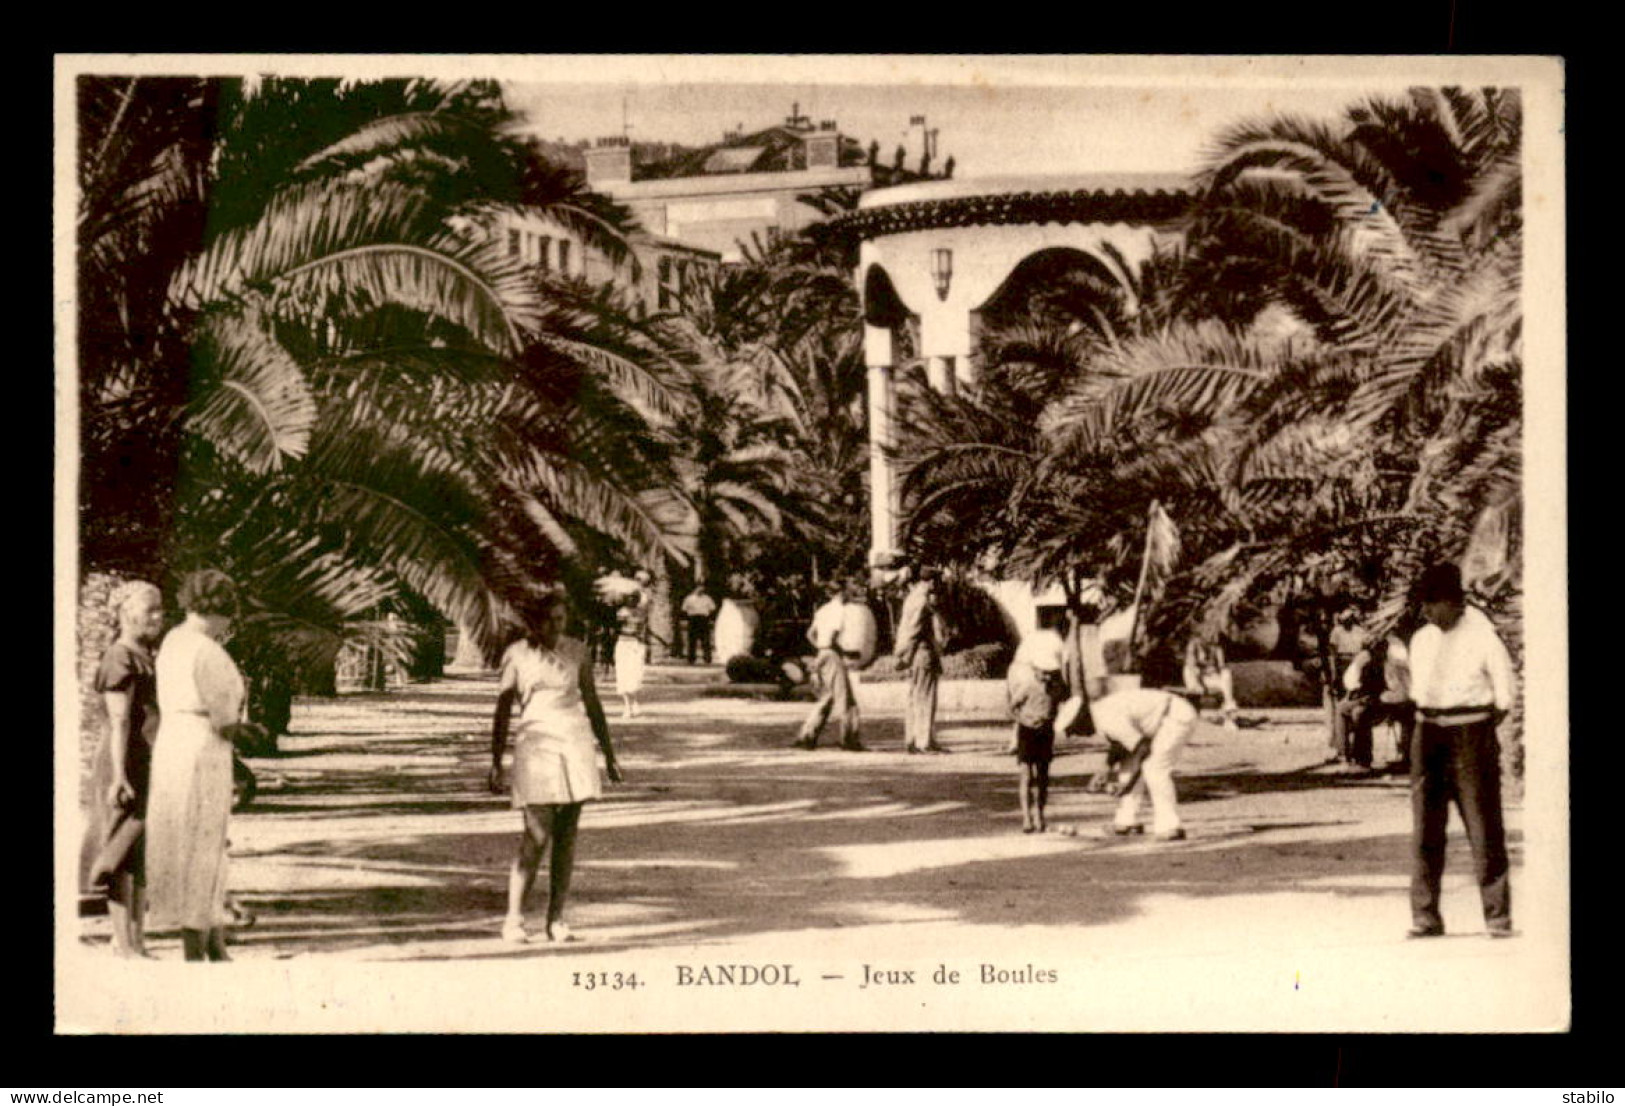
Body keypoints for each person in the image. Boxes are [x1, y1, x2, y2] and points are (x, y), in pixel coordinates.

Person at [489, 589, 623, 943]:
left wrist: (609, 754)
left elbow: (593, 704)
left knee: (567, 837)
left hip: (574, 744)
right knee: (536, 835)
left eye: (560, 619)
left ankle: (556, 919)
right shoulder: (516, 655)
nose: (553, 626)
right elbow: (503, 708)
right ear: (533, 621)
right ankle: (514, 919)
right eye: (547, 619)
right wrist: (495, 761)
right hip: (536, 745)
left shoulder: (578, 651)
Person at [145, 570, 261, 962]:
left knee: (183, 837)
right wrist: (249, 731)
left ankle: (211, 937)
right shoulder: (207, 651)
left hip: (173, 742)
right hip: (203, 748)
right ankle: (198, 942)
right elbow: (223, 719)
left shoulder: (172, 642)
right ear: (219, 611)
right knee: (205, 841)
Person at [1405, 563, 1517, 940]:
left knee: (1483, 826)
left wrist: (1474, 727)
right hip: (1428, 735)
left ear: (1454, 603)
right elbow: (1415, 690)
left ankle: (1497, 917)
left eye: (1433, 604)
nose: (1426, 612)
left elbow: (1505, 696)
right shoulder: (1421, 640)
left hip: (1471, 735)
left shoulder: (1484, 638)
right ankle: (1425, 916)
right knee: (1426, 829)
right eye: (1424, 605)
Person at [82, 580, 165, 957]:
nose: (158, 617)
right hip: (124, 761)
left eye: (159, 609)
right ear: (126, 613)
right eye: (150, 610)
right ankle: (124, 945)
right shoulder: (120, 658)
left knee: (141, 852)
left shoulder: (146, 654)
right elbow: (120, 721)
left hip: (145, 760)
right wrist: (119, 775)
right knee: (120, 850)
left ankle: (138, 940)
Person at [1092, 686, 1201, 842]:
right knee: (1128, 762)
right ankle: (1126, 821)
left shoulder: (1107, 719)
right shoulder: (1099, 712)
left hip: (1175, 716)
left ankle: (1170, 826)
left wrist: (1128, 785)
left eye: (1073, 728)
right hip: (1161, 718)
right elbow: (1123, 744)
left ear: (1083, 717)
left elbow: (1143, 748)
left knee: (1154, 768)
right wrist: (1105, 768)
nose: (1072, 734)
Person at [1006, 628, 1068, 833]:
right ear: (1034, 669)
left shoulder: (1057, 688)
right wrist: (1021, 720)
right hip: (1027, 731)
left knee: (1043, 777)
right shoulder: (1027, 686)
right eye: (1044, 672)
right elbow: (1011, 707)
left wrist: (1058, 720)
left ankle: (1039, 814)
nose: (1047, 677)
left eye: (1051, 673)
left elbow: (1066, 705)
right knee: (1026, 776)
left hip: (1045, 732)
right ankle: (1026, 817)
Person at [792, 579, 862, 751]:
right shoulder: (839, 610)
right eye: (847, 591)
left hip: (822, 653)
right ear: (841, 592)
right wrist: (845, 652)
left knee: (828, 697)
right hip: (832, 654)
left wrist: (821, 649)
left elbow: (810, 634)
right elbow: (832, 638)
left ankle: (807, 735)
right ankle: (849, 739)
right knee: (845, 699)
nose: (849, 594)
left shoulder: (822, 610)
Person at [1340, 631, 1414, 771]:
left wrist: (1381, 698)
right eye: (1370, 649)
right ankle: (1346, 755)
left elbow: (1400, 691)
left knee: (1359, 714)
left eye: (1377, 649)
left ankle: (1364, 760)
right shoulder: (1365, 661)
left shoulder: (1393, 665)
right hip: (1373, 700)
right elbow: (1351, 681)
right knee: (1343, 708)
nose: (1374, 653)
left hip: (1395, 702)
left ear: (1384, 649)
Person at [893, 564, 946, 753]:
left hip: (916, 653)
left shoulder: (912, 598)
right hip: (922, 652)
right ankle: (923, 742)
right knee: (925, 697)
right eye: (937, 581)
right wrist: (903, 654)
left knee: (915, 696)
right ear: (931, 581)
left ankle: (913, 738)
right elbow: (913, 630)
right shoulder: (922, 601)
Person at [1183, 629, 1238, 730]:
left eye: (1212, 634)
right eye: (1208, 633)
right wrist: (1200, 674)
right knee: (1196, 672)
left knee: (1226, 675)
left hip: (1209, 678)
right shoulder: (1194, 645)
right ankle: (1229, 713)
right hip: (1195, 678)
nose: (1211, 636)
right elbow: (1191, 665)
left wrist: (1221, 670)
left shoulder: (1216, 648)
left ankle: (1229, 708)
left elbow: (1221, 666)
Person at [613, 592, 648, 720]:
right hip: (624, 643)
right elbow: (617, 628)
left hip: (636, 644)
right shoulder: (621, 612)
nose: (632, 600)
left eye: (634, 598)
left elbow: (642, 629)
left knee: (636, 674)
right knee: (623, 674)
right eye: (629, 598)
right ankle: (627, 705)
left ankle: (634, 702)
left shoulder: (640, 613)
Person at [681, 585, 718, 665]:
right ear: (695, 588)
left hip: (703, 619)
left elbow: (712, 608)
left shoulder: (707, 598)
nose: (701, 589)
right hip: (693, 619)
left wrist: (709, 617)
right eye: (699, 587)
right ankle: (691, 659)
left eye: (702, 588)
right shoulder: (689, 598)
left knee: (705, 639)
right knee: (692, 640)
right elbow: (684, 609)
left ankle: (707, 658)